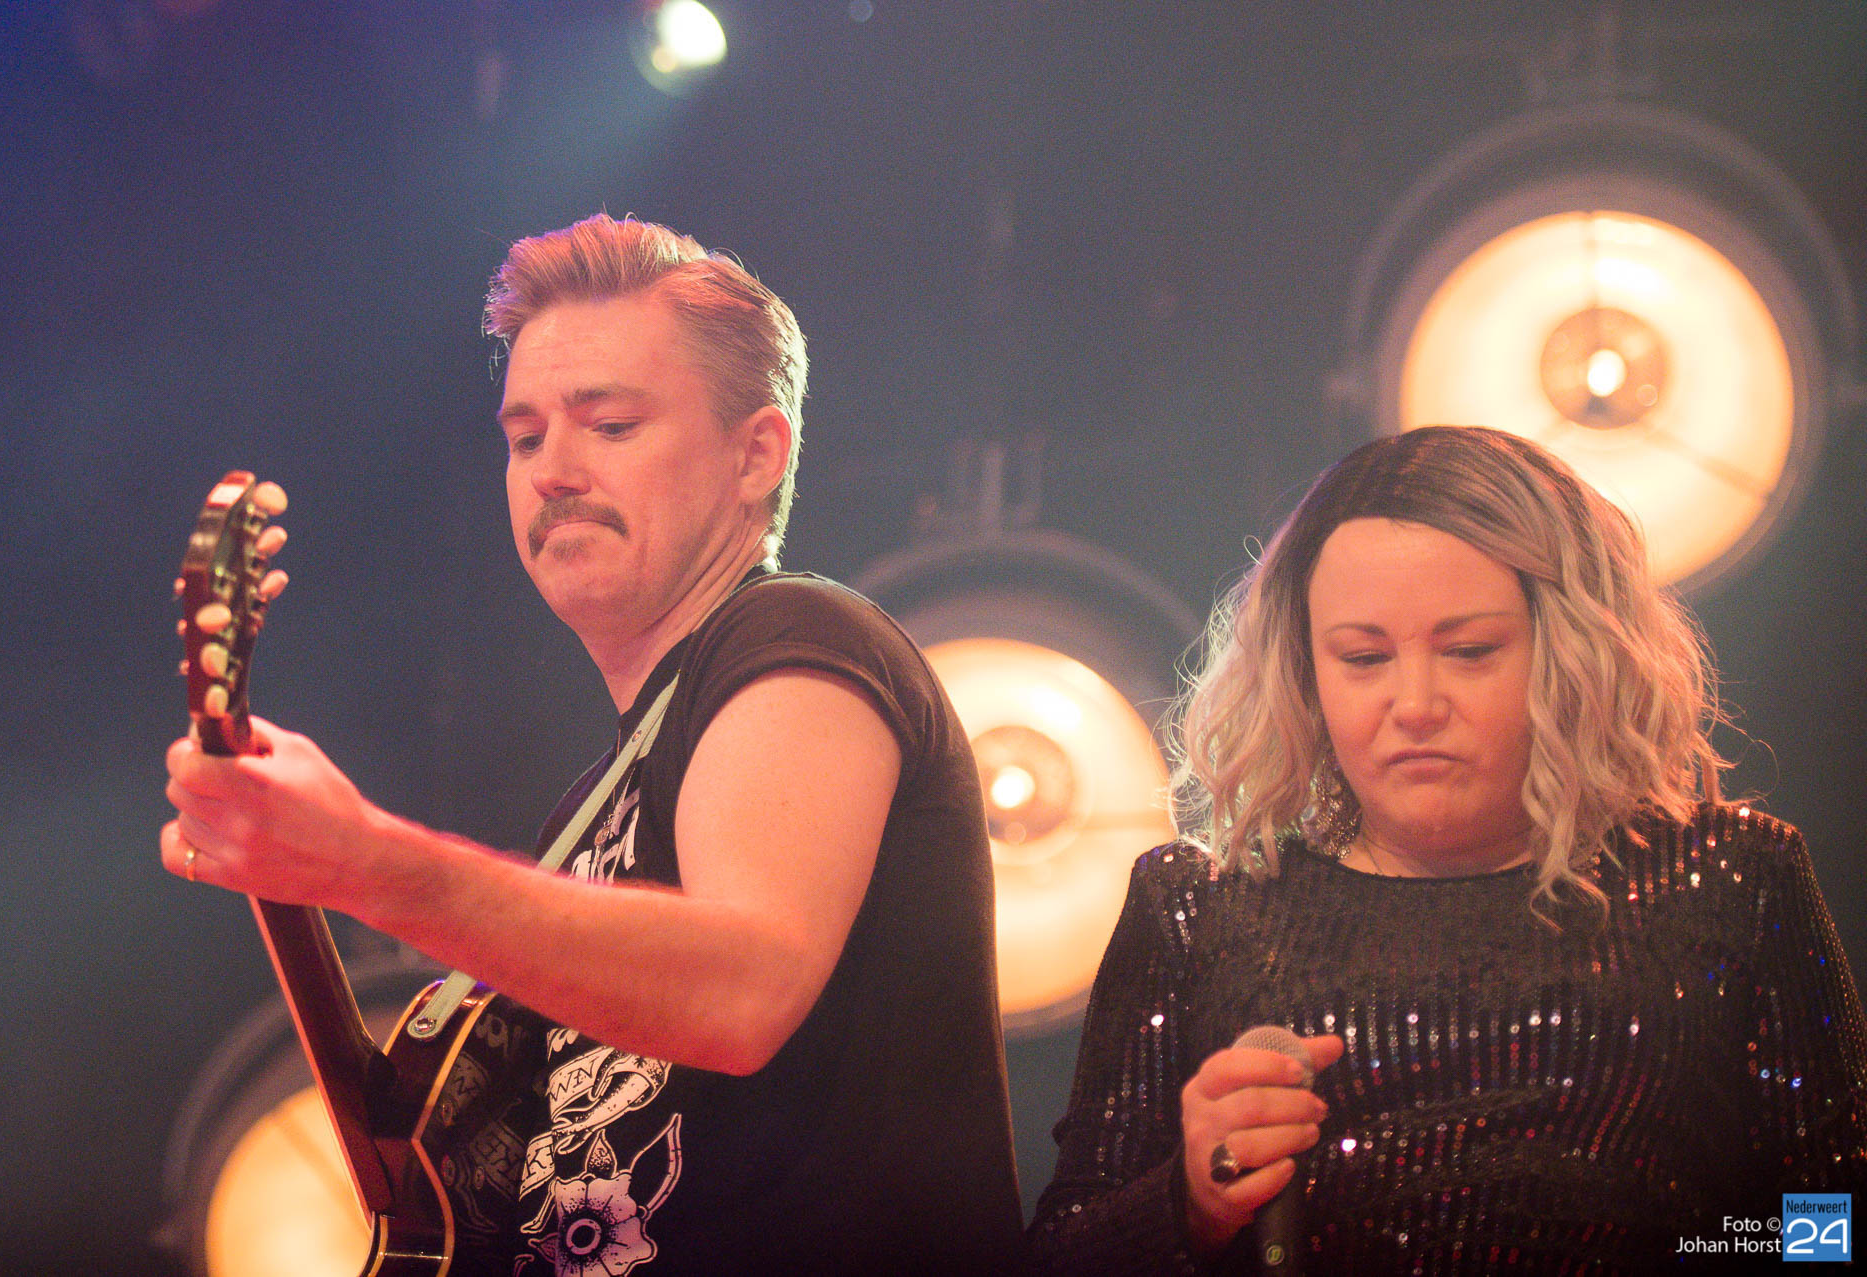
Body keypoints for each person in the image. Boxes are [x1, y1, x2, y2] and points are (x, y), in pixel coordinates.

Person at [163, 214, 1025, 1275]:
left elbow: (744, 987)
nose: (553, 470)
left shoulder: (802, 636)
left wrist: (364, 861)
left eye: (609, 424)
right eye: (525, 438)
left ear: (755, 454)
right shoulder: (587, 812)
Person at [1028, 426, 1867, 1273]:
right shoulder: (1199, 907)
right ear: (1304, 671)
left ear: (1572, 650)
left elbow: (1834, 1223)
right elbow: (1061, 1253)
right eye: (1364, 657)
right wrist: (1187, 1204)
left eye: (1468, 652)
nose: (1416, 703)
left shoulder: (1730, 876)